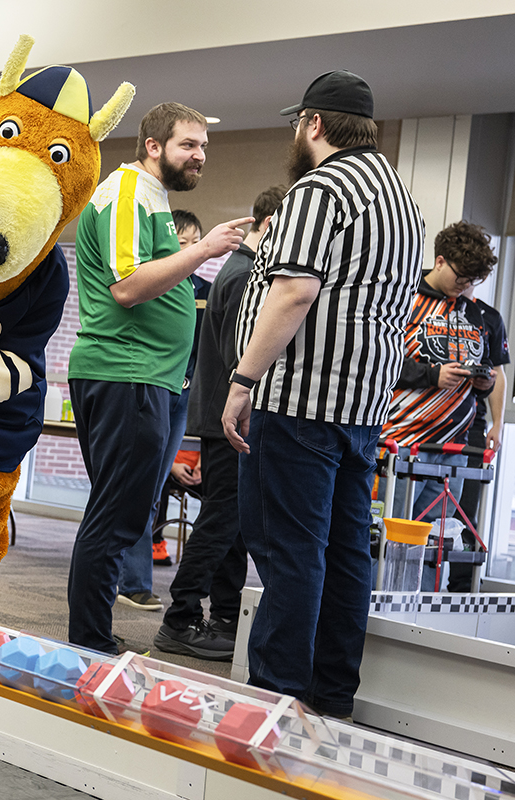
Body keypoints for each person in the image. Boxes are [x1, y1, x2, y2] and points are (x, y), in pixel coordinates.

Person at [223, 71, 424, 717]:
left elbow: (294, 290)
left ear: (313, 124)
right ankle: (331, 698)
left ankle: (277, 702)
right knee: (342, 553)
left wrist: (243, 380)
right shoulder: (401, 198)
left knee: (288, 552)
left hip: (300, 400)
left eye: (295, 123)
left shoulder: (321, 187)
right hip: (363, 405)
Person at [67, 102, 252, 654]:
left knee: (122, 513)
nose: (199, 156)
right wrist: (204, 249)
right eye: (188, 145)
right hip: (127, 373)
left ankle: (92, 635)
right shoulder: (129, 191)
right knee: (116, 516)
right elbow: (127, 285)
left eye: (203, 147)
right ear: (153, 146)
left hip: (149, 377)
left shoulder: (151, 198)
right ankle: (89, 642)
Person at [154, 185, 286, 660]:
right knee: (221, 522)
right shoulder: (245, 276)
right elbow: (242, 359)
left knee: (230, 525)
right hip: (225, 416)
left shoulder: (242, 272)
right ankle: (179, 617)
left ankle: (225, 616)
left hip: (219, 416)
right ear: (269, 223)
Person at [380, 221, 497, 524]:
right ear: (440, 261)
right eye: (461, 276)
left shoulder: (472, 311)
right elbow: (378, 360)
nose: (466, 284)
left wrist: (483, 384)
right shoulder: (402, 297)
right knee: (385, 538)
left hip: (454, 447)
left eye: (474, 279)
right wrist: (433, 375)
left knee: (437, 545)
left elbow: (483, 372)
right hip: (404, 442)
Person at [149, 209, 204, 571]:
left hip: (190, 400)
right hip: (156, 389)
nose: (189, 250)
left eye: (195, 243)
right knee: (148, 484)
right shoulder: (152, 286)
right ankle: (144, 553)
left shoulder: (208, 293)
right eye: (181, 243)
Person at [451, 285, 507, 591]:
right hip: (416, 427)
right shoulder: (419, 300)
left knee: (464, 514)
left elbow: (498, 373)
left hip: (470, 426)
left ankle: (461, 589)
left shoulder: (489, 317)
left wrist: (498, 423)